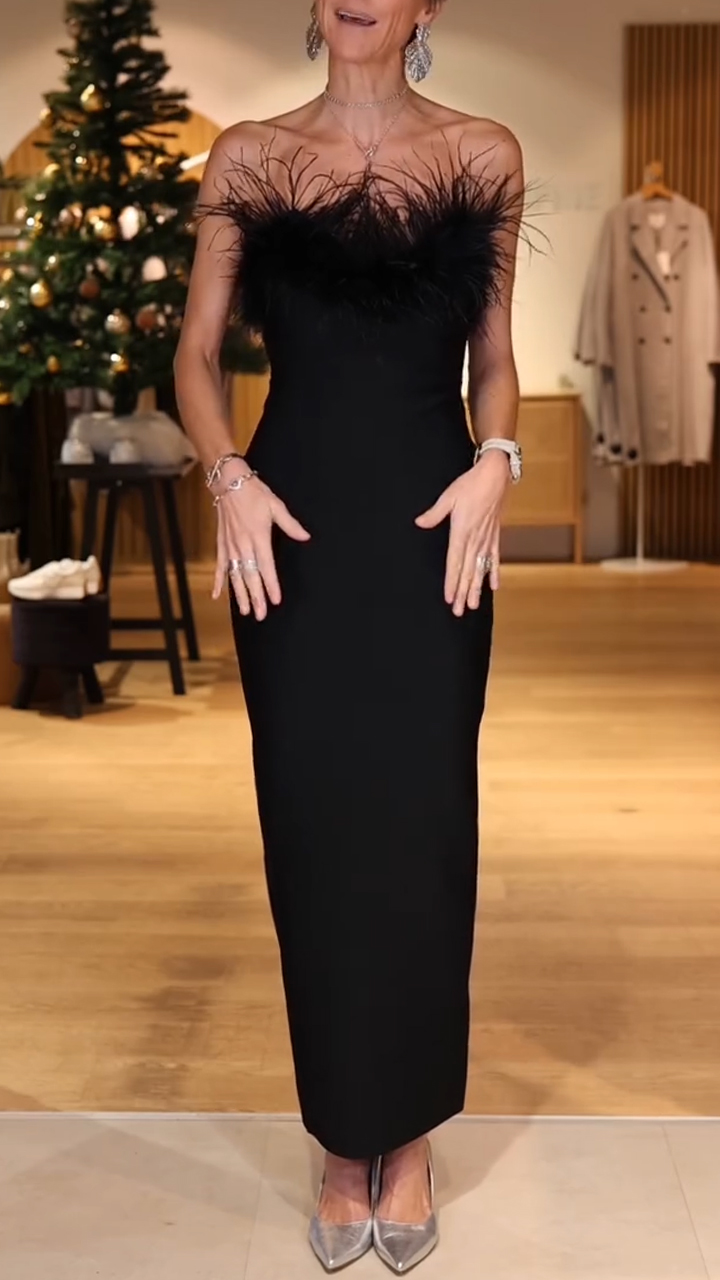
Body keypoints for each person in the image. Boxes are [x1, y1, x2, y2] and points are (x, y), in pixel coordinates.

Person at [174, 0, 526, 1271]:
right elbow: (196, 357)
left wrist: (498, 459)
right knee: (313, 822)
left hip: (436, 534)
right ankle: (339, 1135)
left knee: (425, 824)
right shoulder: (249, 156)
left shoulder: (483, 151)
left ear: (428, 4)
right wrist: (228, 477)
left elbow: (494, 359)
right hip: (291, 533)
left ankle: (410, 1128)